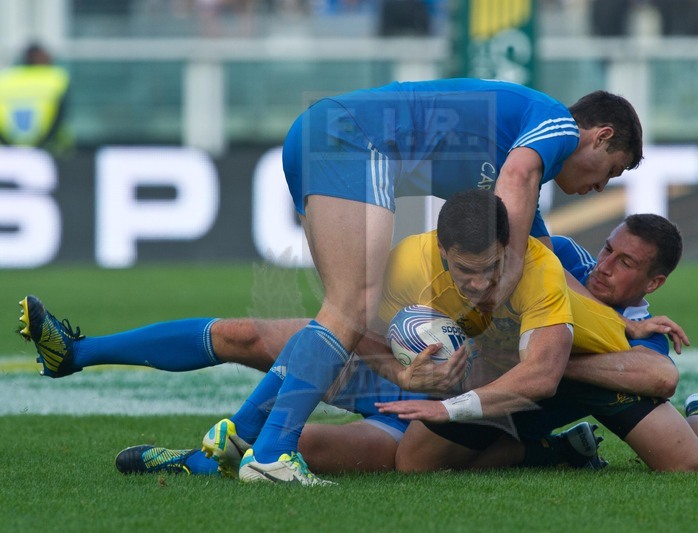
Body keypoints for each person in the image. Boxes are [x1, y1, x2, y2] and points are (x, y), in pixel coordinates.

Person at [20, 194, 698, 479]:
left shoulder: (640, 333)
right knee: (257, 332)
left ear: (654, 283)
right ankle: (79, 353)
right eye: (609, 249)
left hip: (483, 407)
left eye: (625, 264)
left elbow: (656, 378)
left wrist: (546, 361)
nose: (606, 265)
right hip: (438, 373)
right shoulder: (556, 258)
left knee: (691, 468)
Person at [238, 79, 643, 483]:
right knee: (352, 308)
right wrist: (507, 271)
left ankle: (241, 436)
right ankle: (273, 453)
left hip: (319, 132)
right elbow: (519, 174)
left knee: (341, 313)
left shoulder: (520, 189)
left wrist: (617, 321)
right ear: (600, 137)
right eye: (612, 170)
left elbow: (546, 263)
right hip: (354, 137)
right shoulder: (560, 124)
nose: (601, 186)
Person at [0, 42, 71, 153]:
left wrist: (9, 145)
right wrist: (41, 144)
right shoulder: (55, 78)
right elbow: (61, 114)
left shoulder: (5, 79)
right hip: (50, 149)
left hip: (7, 149)